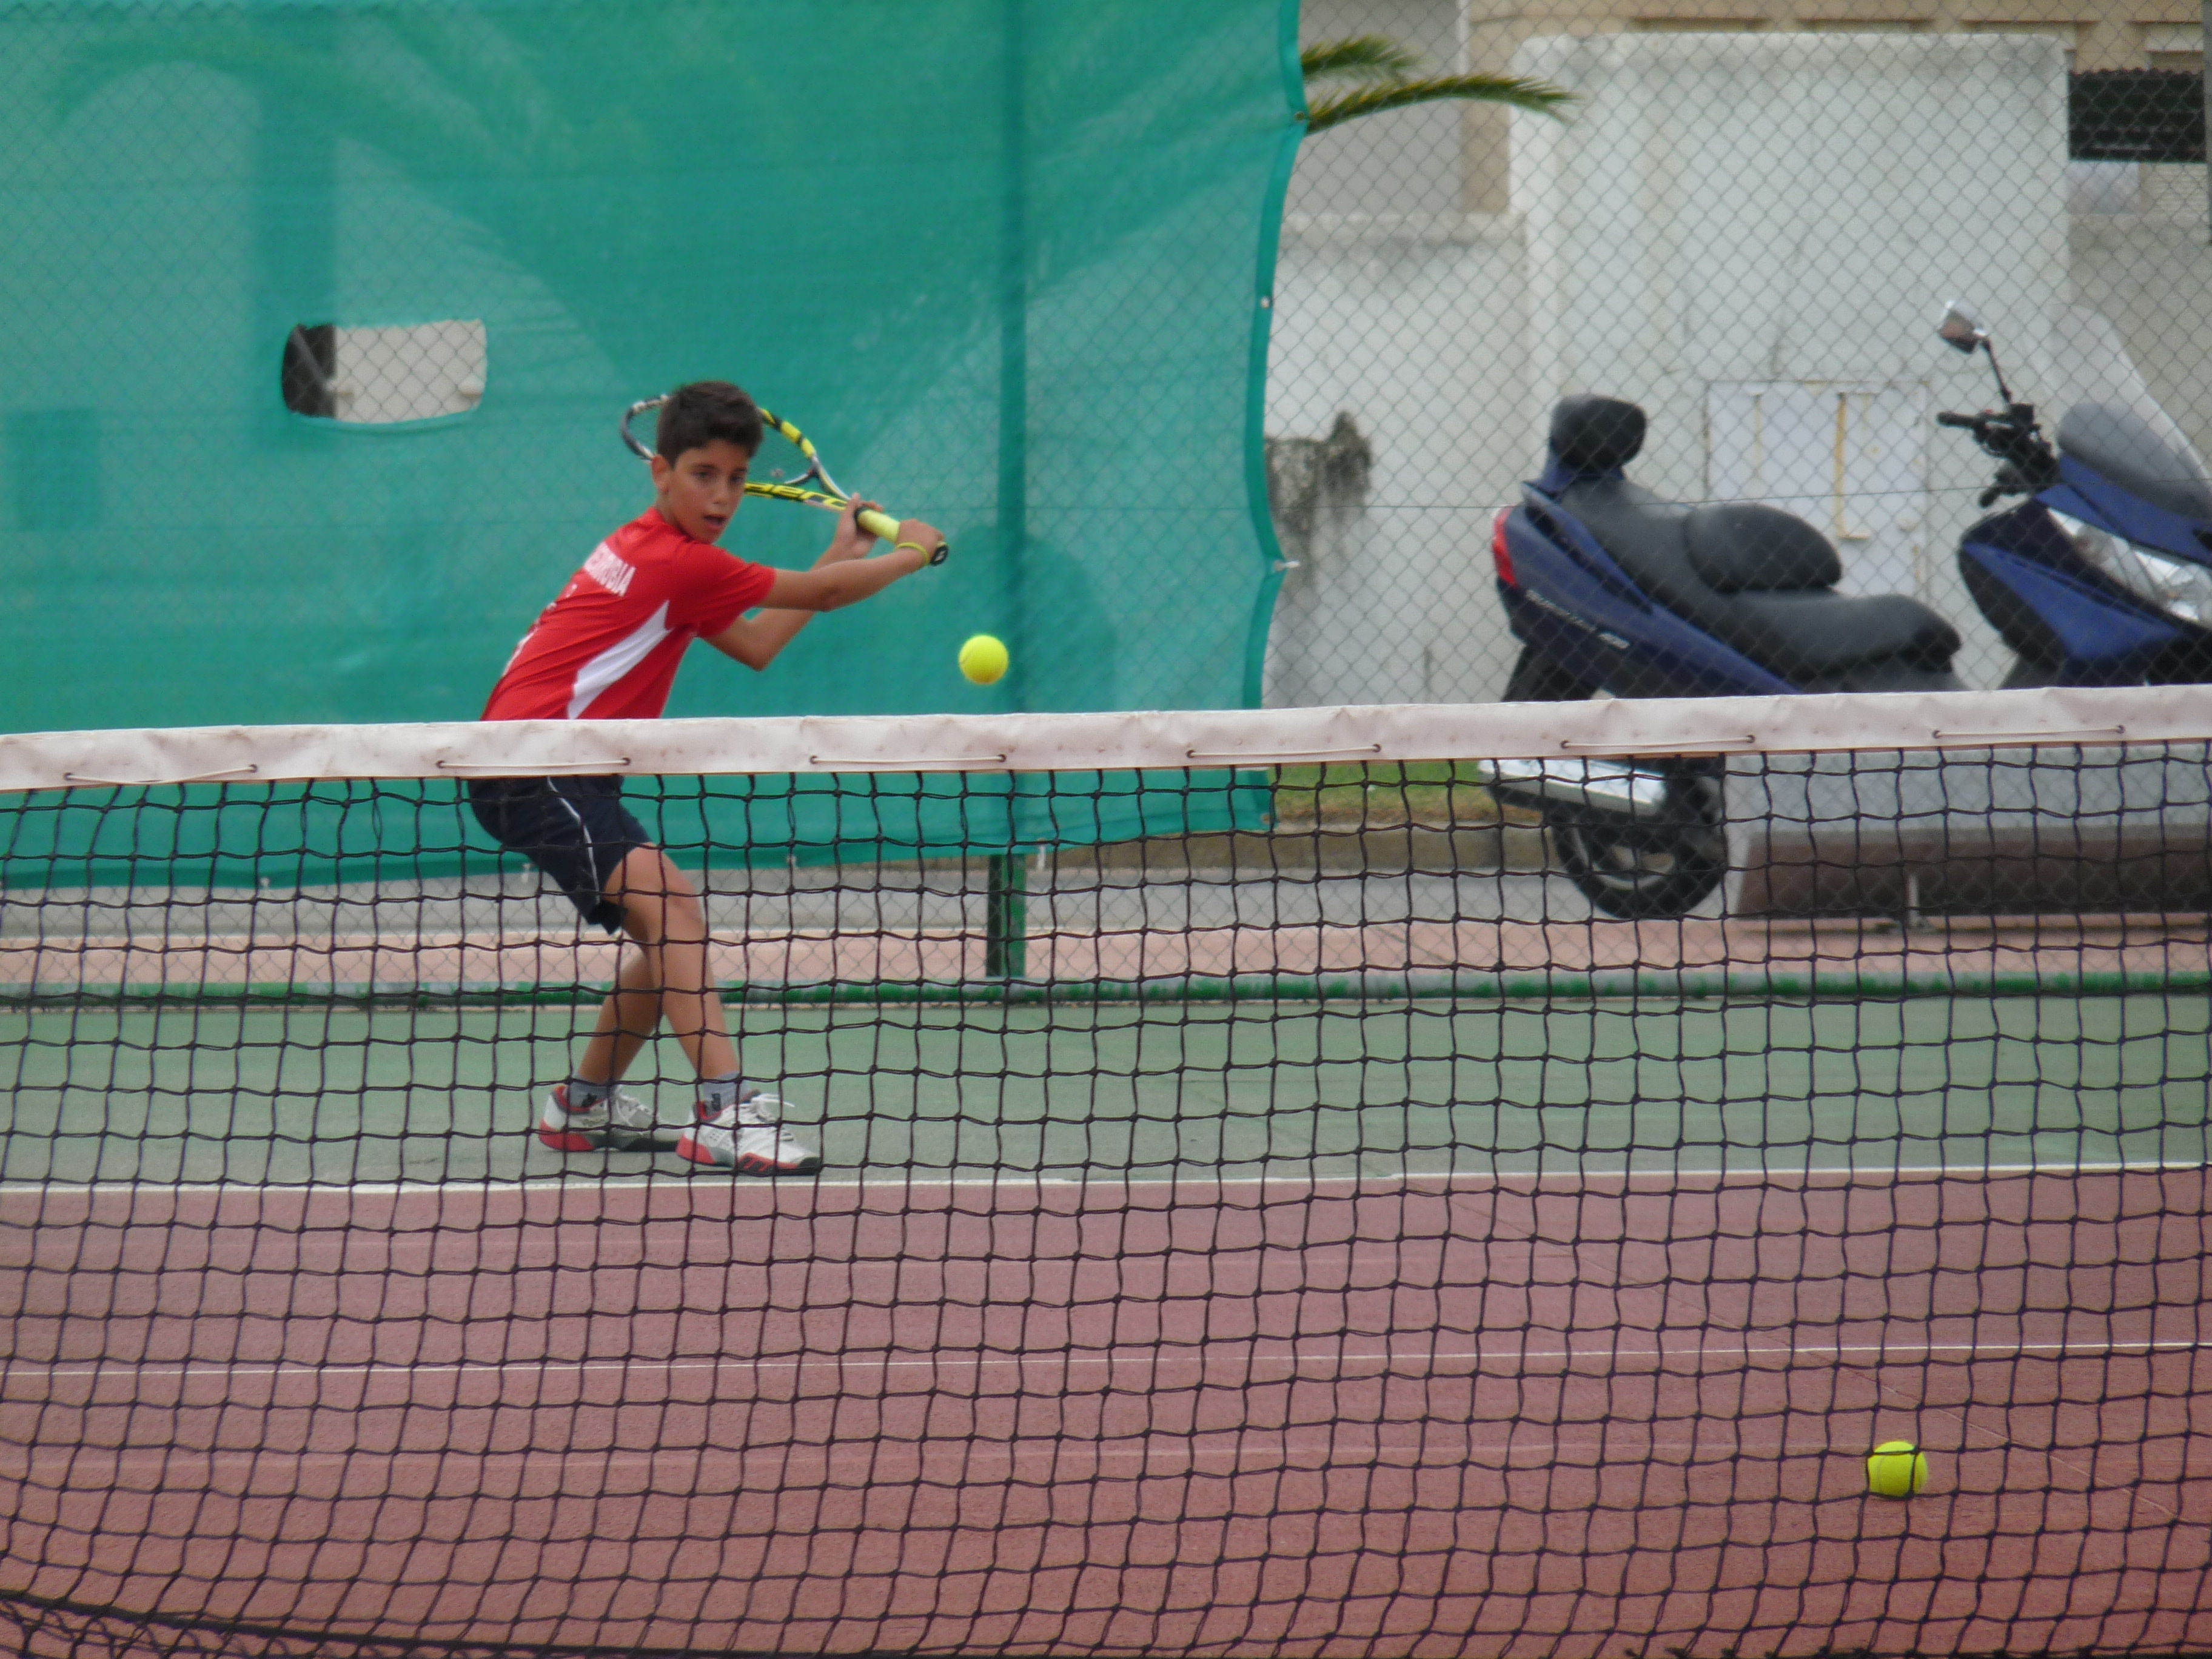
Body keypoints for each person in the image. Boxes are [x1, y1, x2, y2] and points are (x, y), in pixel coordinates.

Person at [471, 380, 943, 1175]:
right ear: (660, 471)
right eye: (702, 475)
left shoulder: (657, 549)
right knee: (673, 907)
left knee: (669, 932)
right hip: (534, 763)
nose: (722, 496)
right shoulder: (676, 562)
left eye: (735, 477)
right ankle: (724, 1111)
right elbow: (825, 599)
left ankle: (581, 1104)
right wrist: (912, 554)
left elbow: (758, 644)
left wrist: (839, 554)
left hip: (553, 767)